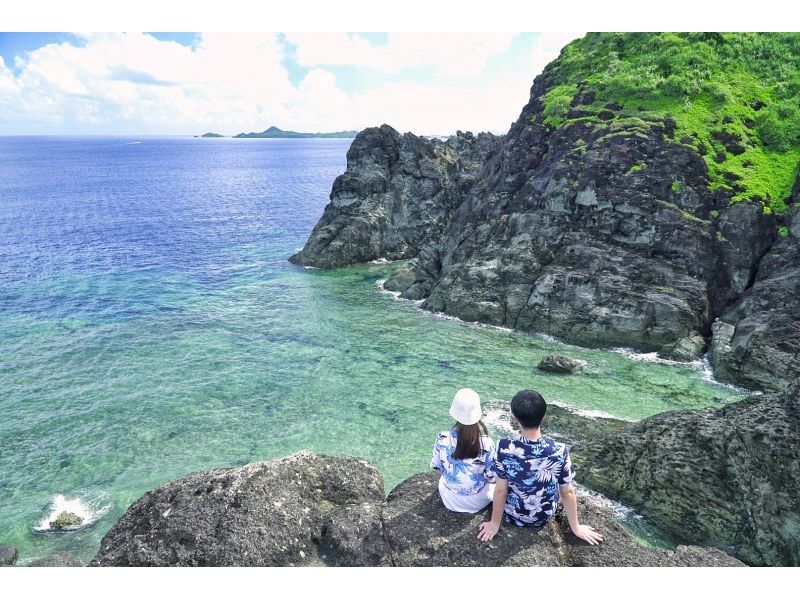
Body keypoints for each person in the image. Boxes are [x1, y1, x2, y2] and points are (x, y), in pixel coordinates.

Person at [477, 389, 604, 545]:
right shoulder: (559, 450)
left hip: (513, 515)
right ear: (543, 416)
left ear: (515, 417)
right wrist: (576, 527)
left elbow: (501, 490)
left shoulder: (504, 448)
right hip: (544, 516)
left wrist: (494, 524)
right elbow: (567, 491)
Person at [430, 388, 497, 513]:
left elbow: (437, 469)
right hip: (477, 502)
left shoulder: (442, 438)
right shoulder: (486, 443)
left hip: (448, 499)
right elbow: (492, 477)